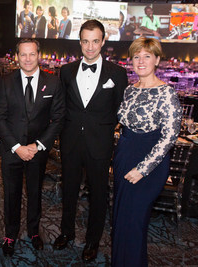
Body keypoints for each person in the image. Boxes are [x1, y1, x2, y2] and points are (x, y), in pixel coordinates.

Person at [54, 20, 128, 262]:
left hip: (100, 144)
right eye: (85, 41)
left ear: (103, 41)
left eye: (95, 41)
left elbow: (121, 111)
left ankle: (92, 241)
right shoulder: (65, 71)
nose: (90, 46)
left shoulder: (117, 73)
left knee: (98, 195)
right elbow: (61, 108)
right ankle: (66, 232)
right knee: (69, 192)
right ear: (80, 42)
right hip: (71, 142)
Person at [112, 37, 182, 267]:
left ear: (157, 59)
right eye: (136, 56)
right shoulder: (130, 90)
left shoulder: (166, 92)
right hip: (125, 155)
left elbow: (169, 137)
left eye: (147, 56)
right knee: (121, 219)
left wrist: (142, 169)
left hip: (148, 162)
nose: (141, 61)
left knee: (135, 221)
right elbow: (124, 125)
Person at [0, 38, 65, 257]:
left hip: (38, 151)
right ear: (17, 56)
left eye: (31, 54)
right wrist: (17, 147)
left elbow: (59, 118)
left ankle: (34, 232)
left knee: (35, 193)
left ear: (39, 55)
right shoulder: (6, 81)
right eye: (23, 54)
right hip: (11, 150)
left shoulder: (53, 82)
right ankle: (10, 234)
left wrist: (38, 145)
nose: (27, 59)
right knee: (11, 194)